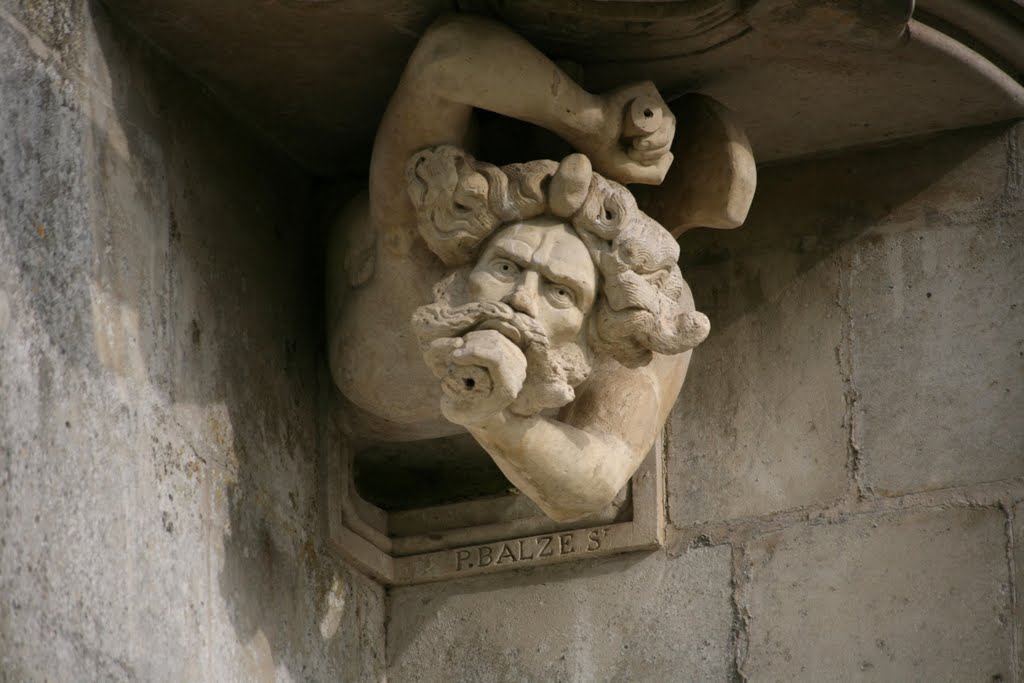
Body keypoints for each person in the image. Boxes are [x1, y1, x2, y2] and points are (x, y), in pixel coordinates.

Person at [327, 14, 707, 521]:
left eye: (559, 292)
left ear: (595, 325)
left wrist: (493, 418)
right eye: (506, 267)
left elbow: (595, 480)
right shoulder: (418, 245)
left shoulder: (628, 346)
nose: (520, 299)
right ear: (466, 264)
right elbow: (445, 57)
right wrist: (587, 120)